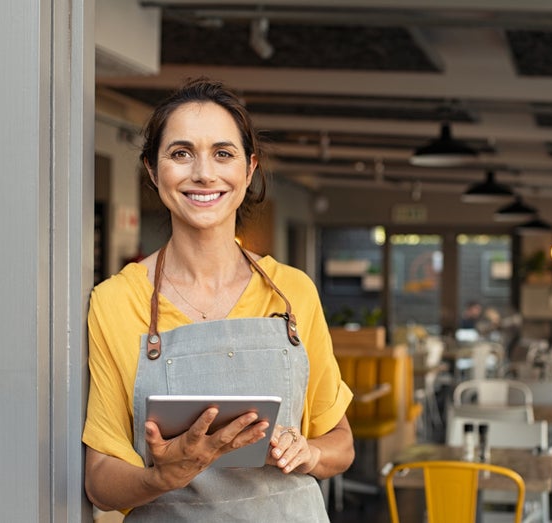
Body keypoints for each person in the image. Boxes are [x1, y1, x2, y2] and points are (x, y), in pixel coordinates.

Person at [82, 78, 354, 521]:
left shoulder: (292, 292)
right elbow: (100, 480)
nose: (204, 173)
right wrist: (164, 476)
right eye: (181, 153)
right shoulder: (117, 300)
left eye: (222, 154)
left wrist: (307, 453)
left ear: (249, 170)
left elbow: (339, 444)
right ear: (153, 170)